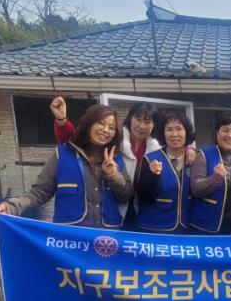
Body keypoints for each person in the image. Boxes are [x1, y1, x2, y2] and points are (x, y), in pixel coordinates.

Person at [0, 104, 133, 301]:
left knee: (102, 291)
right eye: (101, 123)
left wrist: (113, 174)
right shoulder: (62, 155)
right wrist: (11, 205)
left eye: (112, 127)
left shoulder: (117, 159)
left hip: (107, 241)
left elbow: (126, 196)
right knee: (77, 290)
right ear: (88, 124)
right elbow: (39, 193)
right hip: (72, 243)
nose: (105, 130)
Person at [50, 97, 161, 227]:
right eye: (138, 119)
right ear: (130, 118)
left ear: (154, 125)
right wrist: (62, 121)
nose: (142, 126)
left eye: (147, 122)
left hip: (141, 209)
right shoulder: (113, 139)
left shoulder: (156, 152)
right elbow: (75, 143)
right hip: (111, 207)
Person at [134, 111, 196, 233]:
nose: (174, 134)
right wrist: (152, 176)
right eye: (169, 129)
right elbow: (141, 196)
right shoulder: (149, 159)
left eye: (179, 129)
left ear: (187, 132)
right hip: (154, 228)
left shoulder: (196, 158)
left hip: (185, 228)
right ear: (163, 133)